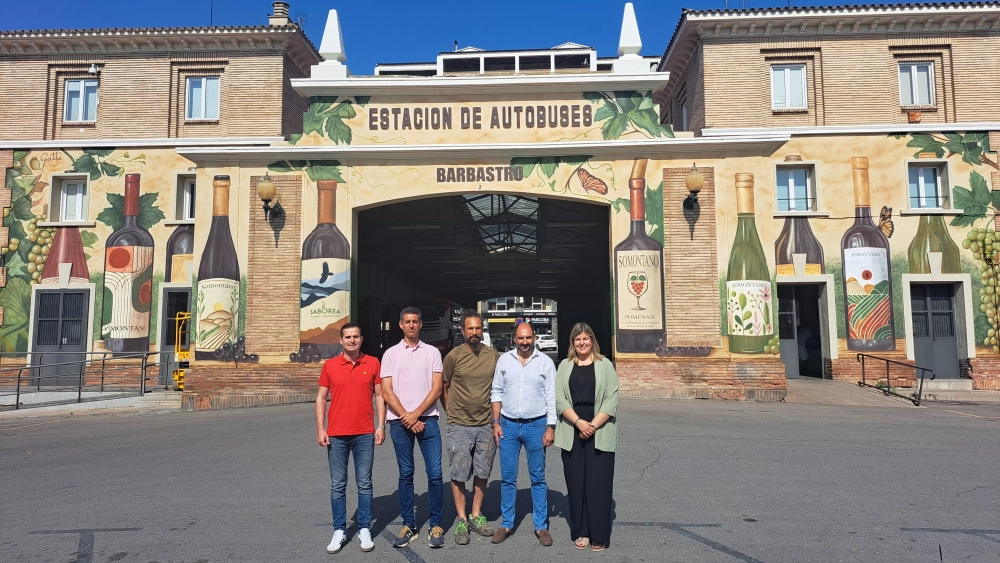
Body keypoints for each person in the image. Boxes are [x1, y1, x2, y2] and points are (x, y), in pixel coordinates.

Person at [315, 323, 387, 554]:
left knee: (364, 483)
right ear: (341, 340)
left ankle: (364, 528)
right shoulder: (330, 365)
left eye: (356, 336)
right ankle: (339, 530)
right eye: (348, 337)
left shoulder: (373, 363)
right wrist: (320, 429)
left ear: (361, 339)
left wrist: (381, 426)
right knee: (338, 485)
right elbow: (321, 398)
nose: (352, 340)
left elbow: (380, 396)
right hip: (336, 434)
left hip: (364, 432)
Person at [381, 306, 446, 549]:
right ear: (401, 324)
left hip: (427, 420)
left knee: (435, 474)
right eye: (407, 321)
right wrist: (406, 417)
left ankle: (436, 525)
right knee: (406, 474)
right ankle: (409, 524)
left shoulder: (432, 352)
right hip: (399, 423)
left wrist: (415, 414)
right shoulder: (390, 354)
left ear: (421, 324)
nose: (411, 325)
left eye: (415, 321)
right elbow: (386, 391)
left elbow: (436, 389)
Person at [490, 322, 557, 546]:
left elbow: (551, 397)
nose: (525, 342)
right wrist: (496, 423)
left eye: (528, 338)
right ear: (515, 338)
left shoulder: (545, 362)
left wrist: (551, 427)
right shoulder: (504, 360)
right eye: (521, 338)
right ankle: (507, 523)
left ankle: (541, 526)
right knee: (508, 478)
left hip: (536, 425)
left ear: (534, 337)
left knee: (537, 478)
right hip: (508, 425)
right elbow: (496, 392)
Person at [555, 323, 619, 552]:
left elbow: (612, 398)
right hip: (572, 429)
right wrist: (578, 423)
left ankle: (599, 534)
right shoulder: (564, 366)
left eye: (585, 338)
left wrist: (591, 425)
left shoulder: (605, 365)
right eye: (577, 339)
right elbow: (559, 398)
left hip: (600, 429)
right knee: (576, 483)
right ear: (572, 343)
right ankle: (581, 530)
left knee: (598, 483)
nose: (582, 343)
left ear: (592, 340)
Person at [441, 311, 499, 545]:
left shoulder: (493, 356)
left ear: (481, 330)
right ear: (463, 331)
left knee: (482, 471)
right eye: (470, 328)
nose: (474, 332)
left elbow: (500, 387)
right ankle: (462, 519)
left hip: (486, 423)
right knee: (459, 473)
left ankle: (475, 515)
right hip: (459, 425)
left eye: (478, 328)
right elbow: (444, 387)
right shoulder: (453, 357)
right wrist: (452, 413)